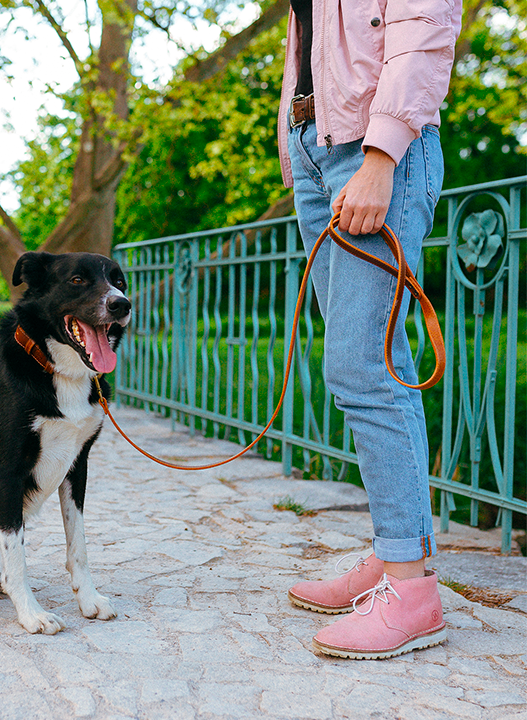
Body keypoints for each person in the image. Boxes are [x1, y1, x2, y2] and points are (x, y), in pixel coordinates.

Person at [279, 0, 462, 659]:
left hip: (373, 148)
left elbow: (422, 30)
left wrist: (382, 156)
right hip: (314, 145)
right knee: (381, 364)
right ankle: (396, 554)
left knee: (361, 366)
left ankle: (411, 594)